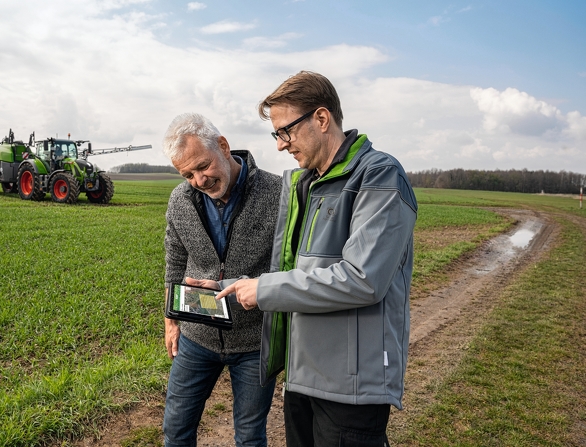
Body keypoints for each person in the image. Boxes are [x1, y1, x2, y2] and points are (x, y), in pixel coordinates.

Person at [216, 71, 418, 446]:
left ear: (321, 119)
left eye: (285, 131)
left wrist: (264, 290)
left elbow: (362, 279)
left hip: (350, 387)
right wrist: (225, 289)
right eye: (276, 134)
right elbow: (297, 273)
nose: (280, 146)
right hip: (302, 376)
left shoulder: (379, 176)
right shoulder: (303, 184)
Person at [161, 113, 281, 446]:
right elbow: (175, 262)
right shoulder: (180, 201)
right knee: (176, 428)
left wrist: (247, 282)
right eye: (187, 174)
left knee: (250, 436)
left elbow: (291, 266)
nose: (199, 180)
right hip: (196, 337)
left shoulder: (278, 194)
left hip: (254, 341)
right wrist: (172, 322)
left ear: (224, 146)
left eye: (203, 167)